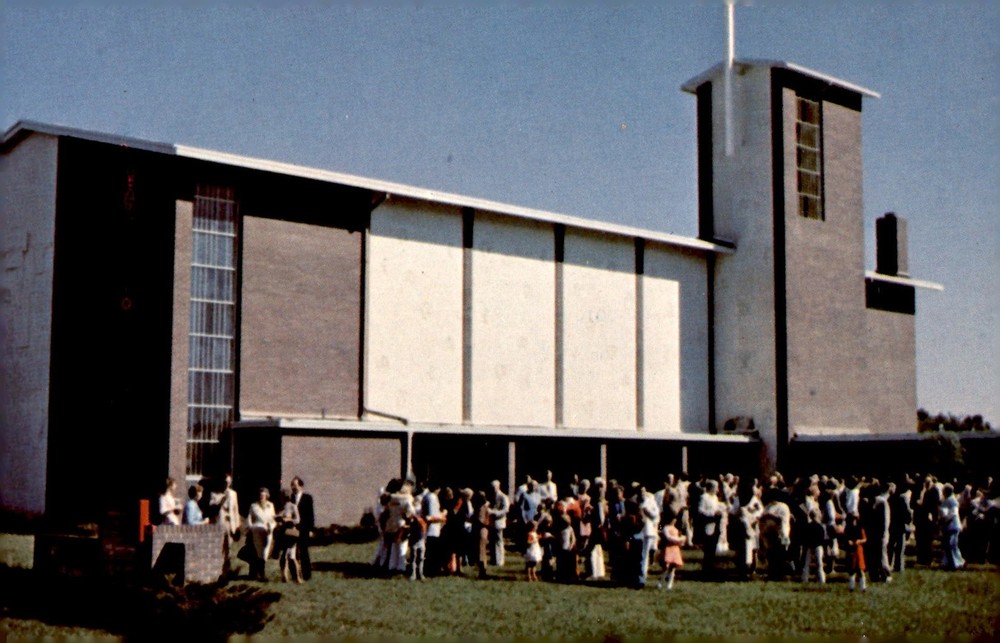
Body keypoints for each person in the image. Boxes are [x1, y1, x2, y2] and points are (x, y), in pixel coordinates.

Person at [247, 487, 277, 581]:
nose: (261, 497)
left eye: (263, 496)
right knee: (259, 552)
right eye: (260, 495)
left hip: (268, 530)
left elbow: (273, 519)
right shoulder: (253, 506)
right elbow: (249, 518)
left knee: (266, 552)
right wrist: (251, 527)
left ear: (267, 496)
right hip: (257, 530)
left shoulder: (271, 505)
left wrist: (271, 527)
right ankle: (261, 574)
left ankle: (260, 572)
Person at [290, 476, 314, 581]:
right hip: (293, 529)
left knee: (303, 552)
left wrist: (310, 529)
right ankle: (294, 575)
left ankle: (306, 575)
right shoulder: (290, 498)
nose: (293, 488)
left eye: (295, 485)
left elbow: (310, 515)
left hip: (304, 529)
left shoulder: (307, 498)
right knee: (292, 553)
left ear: (301, 486)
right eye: (292, 485)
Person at [276, 489, 302, 583]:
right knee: (283, 556)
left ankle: (297, 577)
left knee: (291, 556)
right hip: (282, 534)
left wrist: (288, 520)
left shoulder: (293, 506)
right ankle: (284, 576)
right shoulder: (280, 508)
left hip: (290, 533)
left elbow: (298, 520)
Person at [657, 512, 686, 590]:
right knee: (666, 567)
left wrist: (681, 541)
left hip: (675, 549)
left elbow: (679, 539)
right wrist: (679, 539)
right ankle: (661, 582)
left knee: (673, 568)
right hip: (668, 549)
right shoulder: (666, 528)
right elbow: (669, 538)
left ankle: (670, 584)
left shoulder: (676, 529)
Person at [939, 483, 965, 571]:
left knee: (951, 544)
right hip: (948, 526)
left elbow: (953, 512)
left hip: (953, 526)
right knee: (949, 545)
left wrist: (945, 519)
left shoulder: (952, 500)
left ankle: (955, 564)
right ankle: (952, 563)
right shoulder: (946, 500)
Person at [800, 509, 826, 584]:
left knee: (807, 564)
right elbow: (822, 539)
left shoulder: (808, 526)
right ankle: (821, 580)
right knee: (819, 564)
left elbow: (805, 538)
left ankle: (805, 579)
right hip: (817, 546)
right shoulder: (820, 527)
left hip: (810, 546)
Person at [488, 480, 510, 567]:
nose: (493, 489)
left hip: (499, 521)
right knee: (492, 541)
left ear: (498, 486)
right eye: (492, 487)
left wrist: (495, 513)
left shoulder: (503, 496)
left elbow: (506, 509)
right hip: (492, 522)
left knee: (499, 541)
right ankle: (494, 559)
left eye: (494, 487)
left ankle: (500, 560)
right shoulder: (492, 496)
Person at [844, 515, 868, 591]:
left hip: (858, 550)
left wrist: (859, 541)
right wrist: (848, 541)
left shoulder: (860, 528)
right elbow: (845, 538)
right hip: (851, 550)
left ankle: (863, 587)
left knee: (860, 569)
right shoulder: (847, 529)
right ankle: (851, 586)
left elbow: (865, 539)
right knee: (851, 569)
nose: (853, 522)